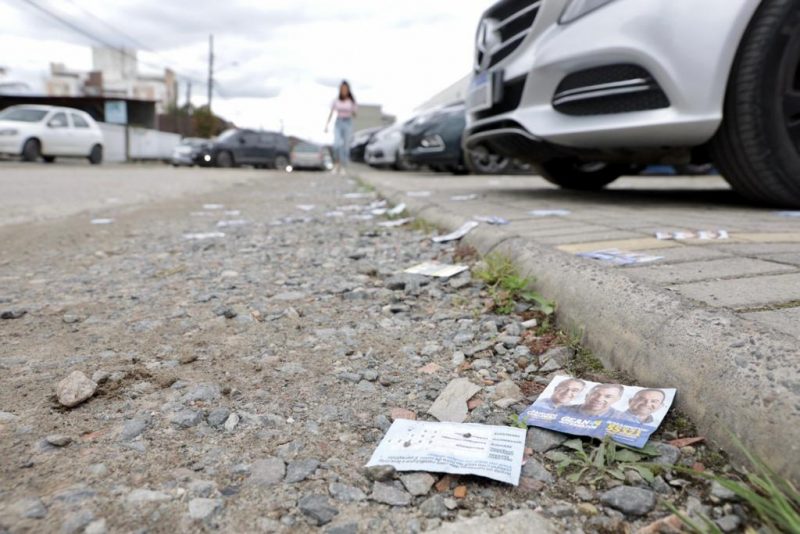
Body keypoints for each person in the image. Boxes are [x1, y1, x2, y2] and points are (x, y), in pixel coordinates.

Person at [324, 80, 357, 175]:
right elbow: (331, 113)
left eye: (345, 88)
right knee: (337, 144)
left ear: (348, 90)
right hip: (338, 122)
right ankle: (336, 164)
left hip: (348, 122)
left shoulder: (351, 101)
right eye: (342, 88)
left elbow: (355, 114)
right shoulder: (336, 100)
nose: (344, 90)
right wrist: (326, 125)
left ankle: (343, 166)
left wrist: (353, 111)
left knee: (345, 146)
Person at [559, 383, 625, 419]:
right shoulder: (563, 409)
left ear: (616, 400)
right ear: (587, 395)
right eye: (596, 394)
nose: (599, 399)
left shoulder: (622, 418)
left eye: (608, 397)